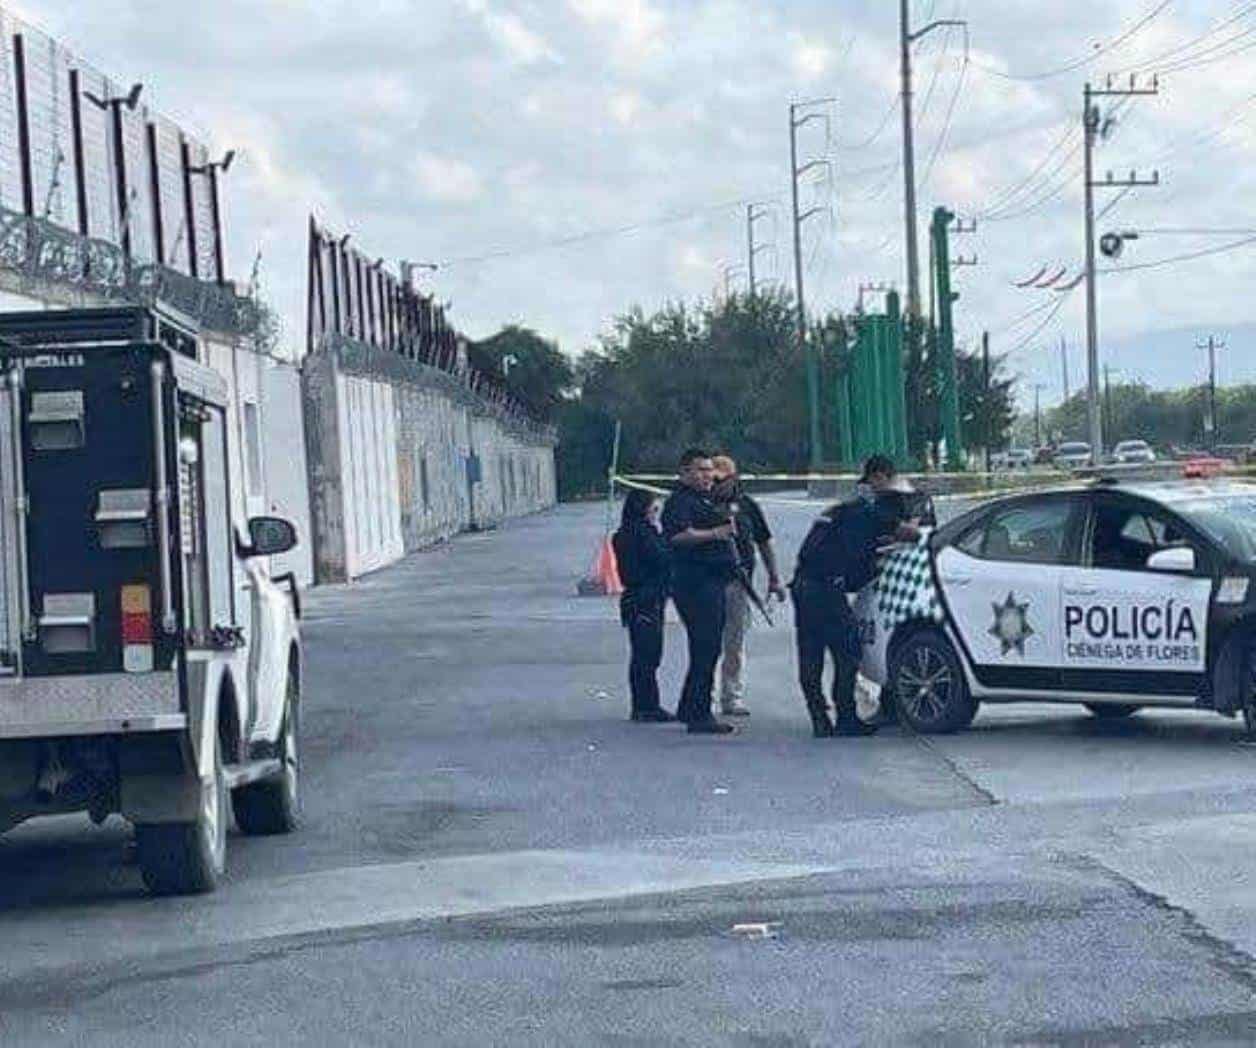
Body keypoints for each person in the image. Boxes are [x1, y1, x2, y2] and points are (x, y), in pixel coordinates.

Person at [790, 454, 921, 738]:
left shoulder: (837, 510)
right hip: (826, 589)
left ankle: (819, 719)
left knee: (810, 653)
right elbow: (910, 535)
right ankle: (846, 717)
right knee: (848, 651)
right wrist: (914, 524)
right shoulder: (870, 512)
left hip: (803, 585)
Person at [660, 448, 738, 735]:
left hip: (712, 580)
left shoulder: (703, 499)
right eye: (701, 470)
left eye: (709, 470)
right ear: (684, 473)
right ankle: (700, 714)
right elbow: (678, 536)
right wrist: (716, 534)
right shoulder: (680, 502)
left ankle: (690, 705)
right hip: (696, 583)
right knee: (706, 646)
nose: (708, 475)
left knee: (707, 647)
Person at [709, 455, 785, 717]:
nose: (716, 484)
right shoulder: (701, 504)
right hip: (708, 582)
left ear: (733, 479)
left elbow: (764, 542)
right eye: (713, 479)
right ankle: (704, 697)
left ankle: (731, 696)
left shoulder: (747, 506)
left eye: (721, 479)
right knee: (708, 643)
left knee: (734, 643)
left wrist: (774, 578)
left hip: (739, 582)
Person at [612, 488, 675, 723]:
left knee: (647, 654)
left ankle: (646, 703)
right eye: (653, 508)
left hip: (645, 596)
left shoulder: (630, 533)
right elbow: (661, 559)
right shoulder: (640, 534)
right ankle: (645, 705)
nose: (656, 513)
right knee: (646, 655)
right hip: (643, 597)